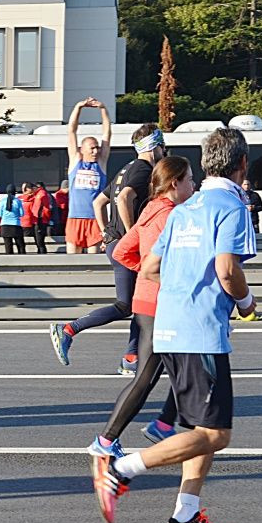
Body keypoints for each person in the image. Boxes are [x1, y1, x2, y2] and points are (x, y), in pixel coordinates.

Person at [91, 127, 258, 523]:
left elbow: (147, 268)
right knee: (216, 434)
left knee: (196, 429)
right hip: (200, 332)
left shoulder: (184, 206)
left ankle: (184, 518)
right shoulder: (232, 206)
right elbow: (227, 270)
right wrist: (247, 302)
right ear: (242, 164)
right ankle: (120, 469)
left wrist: (184, 286)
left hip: (168, 325)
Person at [90, 156, 194, 463]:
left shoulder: (150, 209)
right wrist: (156, 276)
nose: (194, 184)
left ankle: (163, 424)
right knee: (147, 377)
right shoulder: (172, 216)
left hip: (147, 301)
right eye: (189, 179)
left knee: (187, 365)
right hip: (164, 303)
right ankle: (106, 441)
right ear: (174, 183)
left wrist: (144, 275)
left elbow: (122, 251)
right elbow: (170, 263)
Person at [50, 124, 165, 376]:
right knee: (128, 304)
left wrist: (106, 232)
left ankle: (130, 357)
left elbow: (99, 201)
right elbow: (124, 198)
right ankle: (69, 329)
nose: (165, 151)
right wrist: (134, 236)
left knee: (139, 302)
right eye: (162, 146)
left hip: (116, 243)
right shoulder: (144, 169)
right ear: (154, 147)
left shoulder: (125, 168)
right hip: (127, 247)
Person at [64, 97, 112, 254]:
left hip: (94, 219)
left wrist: (103, 109)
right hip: (74, 218)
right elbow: (71, 130)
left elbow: (107, 133)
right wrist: (78, 107)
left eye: (97, 148)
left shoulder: (101, 163)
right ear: (82, 149)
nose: (96, 151)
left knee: (92, 260)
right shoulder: (75, 161)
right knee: (72, 261)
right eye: (92, 148)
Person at [0, 184, 25, 254]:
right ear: (14, 192)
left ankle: (9, 262)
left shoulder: (2, 201)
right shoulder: (18, 201)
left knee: (8, 246)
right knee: (20, 245)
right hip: (16, 225)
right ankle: (23, 260)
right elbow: (22, 214)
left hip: (5, 226)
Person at [29, 182, 52, 253]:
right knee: (38, 241)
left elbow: (43, 207)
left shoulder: (41, 194)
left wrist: (41, 218)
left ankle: (42, 255)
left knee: (40, 241)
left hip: (40, 220)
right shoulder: (37, 194)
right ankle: (40, 253)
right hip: (38, 219)